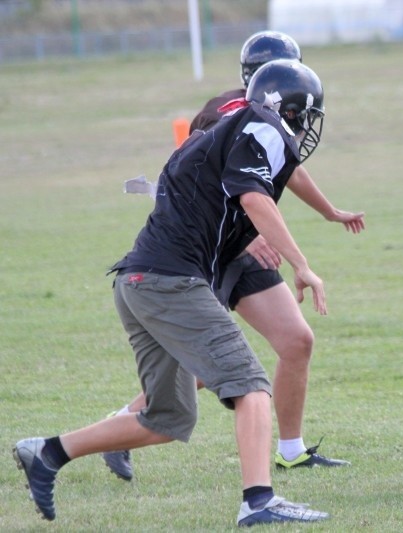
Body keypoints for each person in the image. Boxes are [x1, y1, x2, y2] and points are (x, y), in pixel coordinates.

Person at [14, 60, 332, 526]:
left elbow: (219, 199)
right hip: (169, 281)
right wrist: (302, 265)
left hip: (137, 282)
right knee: (251, 386)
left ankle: (47, 452)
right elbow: (254, 197)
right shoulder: (260, 126)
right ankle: (259, 501)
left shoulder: (222, 128)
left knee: (165, 418)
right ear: (289, 108)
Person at [102, 30, 363, 482]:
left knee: (296, 341)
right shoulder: (227, 112)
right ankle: (118, 429)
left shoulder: (273, 123)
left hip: (247, 240)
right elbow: (206, 189)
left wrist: (330, 212)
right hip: (221, 250)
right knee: (209, 363)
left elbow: (289, 169)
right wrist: (249, 240)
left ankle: (292, 450)